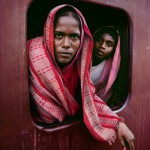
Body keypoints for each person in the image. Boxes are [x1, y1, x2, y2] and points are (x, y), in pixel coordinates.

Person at [27, 4, 134, 149]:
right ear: (48, 33)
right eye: (58, 35)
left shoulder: (79, 64)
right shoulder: (33, 55)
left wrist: (118, 124)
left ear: (82, 38)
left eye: (74, 37)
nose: (66, 45)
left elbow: (88, 96)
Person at [91, 26, 135, 149]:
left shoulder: (112, 69)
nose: (102, 46)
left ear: (114, 48)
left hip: (99, 110)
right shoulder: (81, 60)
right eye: (99, 40)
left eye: (109, 44)